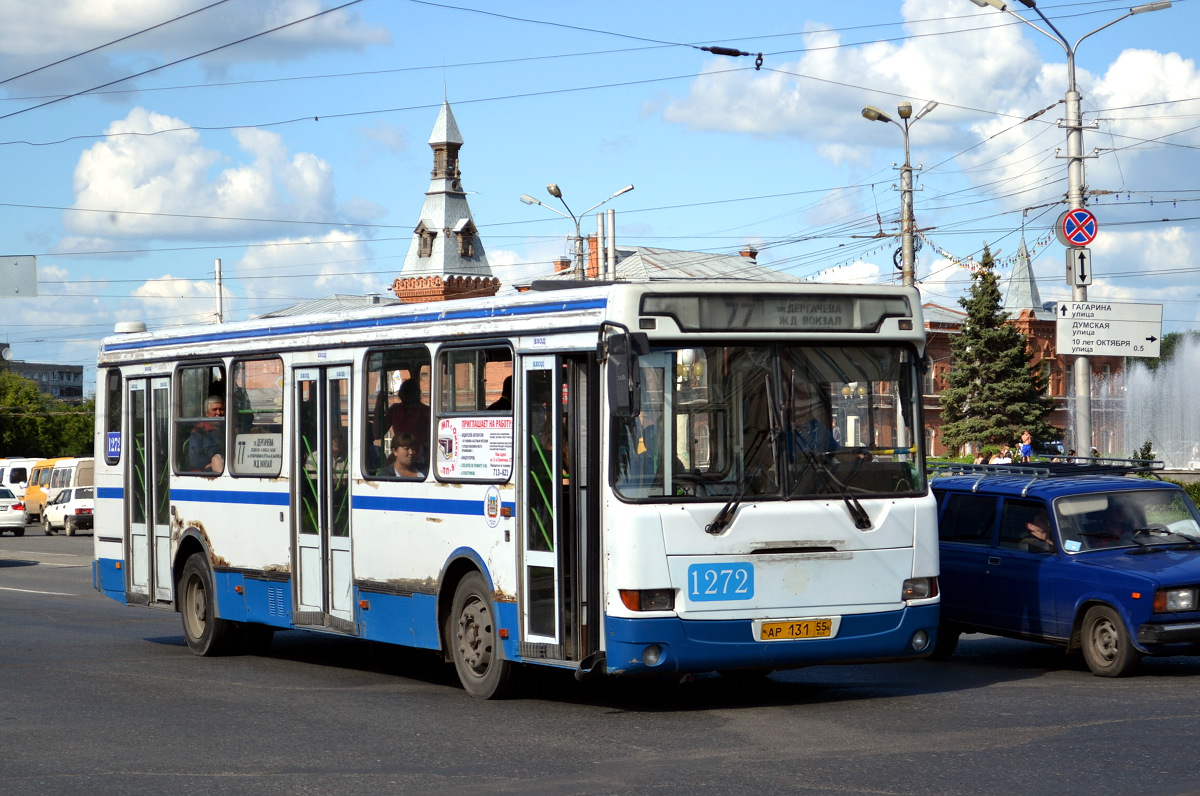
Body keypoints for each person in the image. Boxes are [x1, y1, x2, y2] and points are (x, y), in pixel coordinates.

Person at [385, 379, 431, 464]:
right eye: (405, 403)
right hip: (400, 455)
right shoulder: (395, 410)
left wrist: (425, 447)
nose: (409, 408)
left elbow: (433, 438)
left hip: (422, 456)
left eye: (412, 403)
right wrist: (379, 404)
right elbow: (377, 433)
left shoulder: (427, 413)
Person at [187, 395, 225, 474]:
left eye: (221, 409)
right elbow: (194, 461)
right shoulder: (198, 432)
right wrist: (213, 464)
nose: (218, 413)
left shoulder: (226, 429)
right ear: (207, 413)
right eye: (214, 410)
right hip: (204, 473)